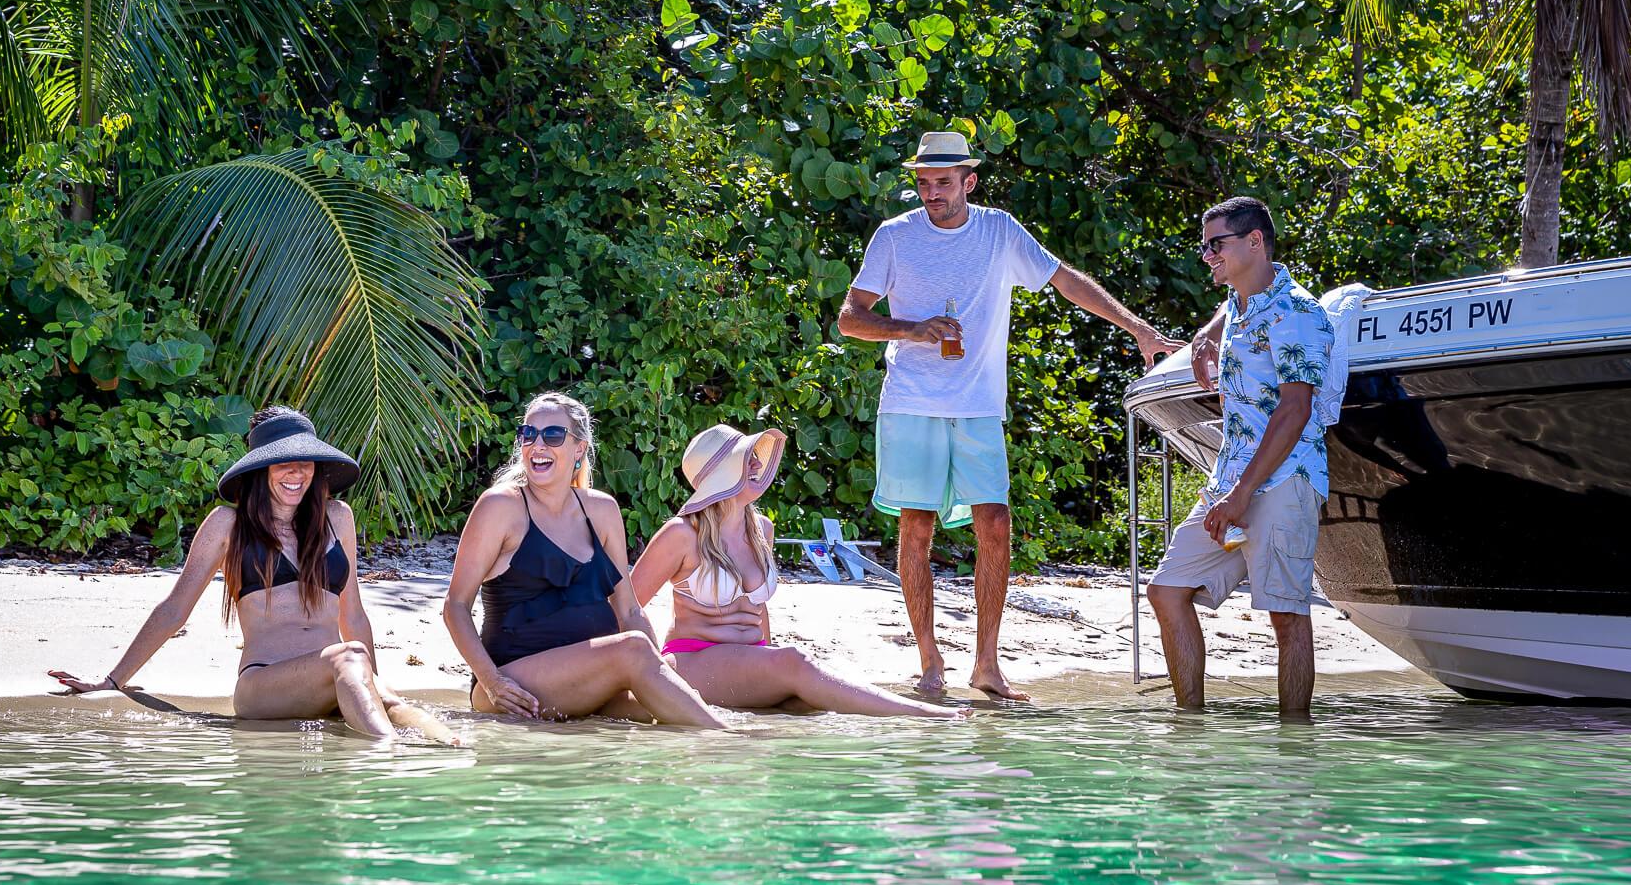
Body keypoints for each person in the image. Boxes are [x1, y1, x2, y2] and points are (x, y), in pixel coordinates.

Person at [838, 131, 1181, 699]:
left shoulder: (998, 231)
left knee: (994, 523)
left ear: (969, 182)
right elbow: (852, 318)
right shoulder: (895, 236)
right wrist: (911, 330)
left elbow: (1065, 279)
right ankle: (929, 663)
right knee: (916, 527)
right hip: (912, 400)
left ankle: (987, 665)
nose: (931, 194)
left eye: (943, 183)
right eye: (923, 183)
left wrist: (1137, 328)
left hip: (976, 405)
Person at [49, 406, 456, 743]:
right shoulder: (227, 524)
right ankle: (384, 759)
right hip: (265, 687)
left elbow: (353, 615)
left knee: (398, 702)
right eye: (284, 463)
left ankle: (461, 753)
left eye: (305, 462)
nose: (297, 474)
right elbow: (175, 609)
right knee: (349, 658)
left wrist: (370, 686)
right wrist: (112, 680)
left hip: (337, 674)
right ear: (262, 468)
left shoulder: (338, 518)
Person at [630, 424, 969, 718]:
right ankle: (922, 714)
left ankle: (899, 725)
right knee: (796, 664)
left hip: (753, 659)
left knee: (810, 706)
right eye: (747, 459)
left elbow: (758, 608)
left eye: (755, 457)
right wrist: (649, 675)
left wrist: (770, 658)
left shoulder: (761, 528)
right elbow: (627, 605)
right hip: (694, 660)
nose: (758, 464)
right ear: (723, 474)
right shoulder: (681, 534)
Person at [1148, 196, 1334, 716]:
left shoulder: (1298, 313)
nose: (1206, 255)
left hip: (1282, 481)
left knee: (1286, 616)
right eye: (1203, 246)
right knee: (1166, 591)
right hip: (1232, 475)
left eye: (1216, 245)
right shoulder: (1240, 302)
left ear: (1255, 242)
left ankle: (1294, 749)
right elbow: (1227, 310)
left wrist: (1241, 494)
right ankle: (1192, 731)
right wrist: (1205, 336)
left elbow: (1295, 411)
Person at [443, 392, 728, 728]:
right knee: (636, 651)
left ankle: (719, 755)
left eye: (552, 435)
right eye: (529, 434)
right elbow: (455, 606)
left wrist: (659, 667)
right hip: (515, 684)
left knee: (664, 709)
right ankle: (731, 746)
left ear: (579, 448)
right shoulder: (501, 507)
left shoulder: (602, 510)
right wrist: (492, 681)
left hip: (593, 678)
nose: (538, 445)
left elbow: (630, 611)